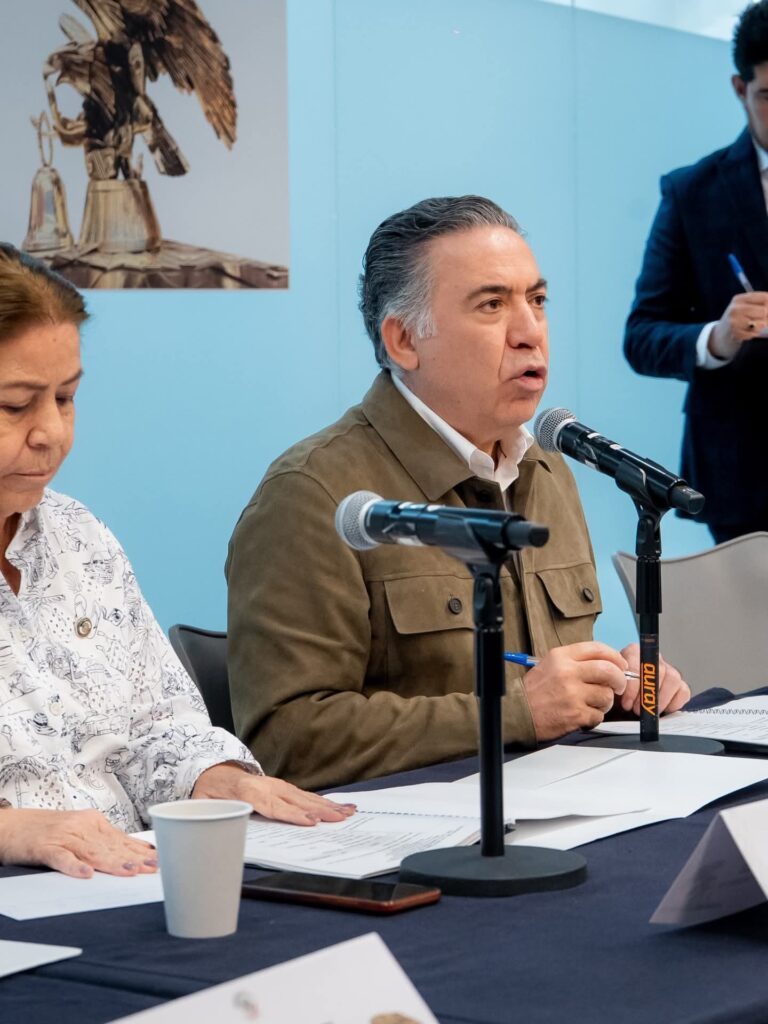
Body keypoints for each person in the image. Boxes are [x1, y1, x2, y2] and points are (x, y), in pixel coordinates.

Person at [226, 196, 690, 791]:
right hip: (412, 834)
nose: (530, 333)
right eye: (492, 305)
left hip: (563, 802)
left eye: (537, 301)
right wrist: (515, 712)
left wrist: (615, 685)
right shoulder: (313, 495)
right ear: (404, 341)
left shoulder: (548, 469)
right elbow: (286, 741)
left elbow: (547, 686)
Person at [0, 245, 352, 879]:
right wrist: (12, 830)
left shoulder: (78, 536)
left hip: (124, 881)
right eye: (15, 405)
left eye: (66, 397)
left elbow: (157, 726)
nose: (51, 432)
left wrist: (217, 777)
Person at [624, 1, 768, 544]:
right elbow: (641, 337)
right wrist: (717, 339)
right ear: (740, 88)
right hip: (745, 475)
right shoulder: (692, 193)